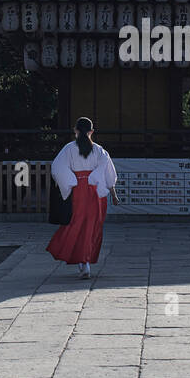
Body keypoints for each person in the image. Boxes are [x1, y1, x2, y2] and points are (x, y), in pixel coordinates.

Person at [47, 117, 117, 278]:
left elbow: (57, 168)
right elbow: (108, 174)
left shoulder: (69, 149)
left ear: (75, 131)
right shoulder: (100, 150)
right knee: (92, 227)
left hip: (77, 190)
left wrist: (69, 182)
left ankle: (82, 261)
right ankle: (85, 261)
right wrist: (113, 194)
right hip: (95, 192)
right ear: (91, 132)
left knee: (76, 225)